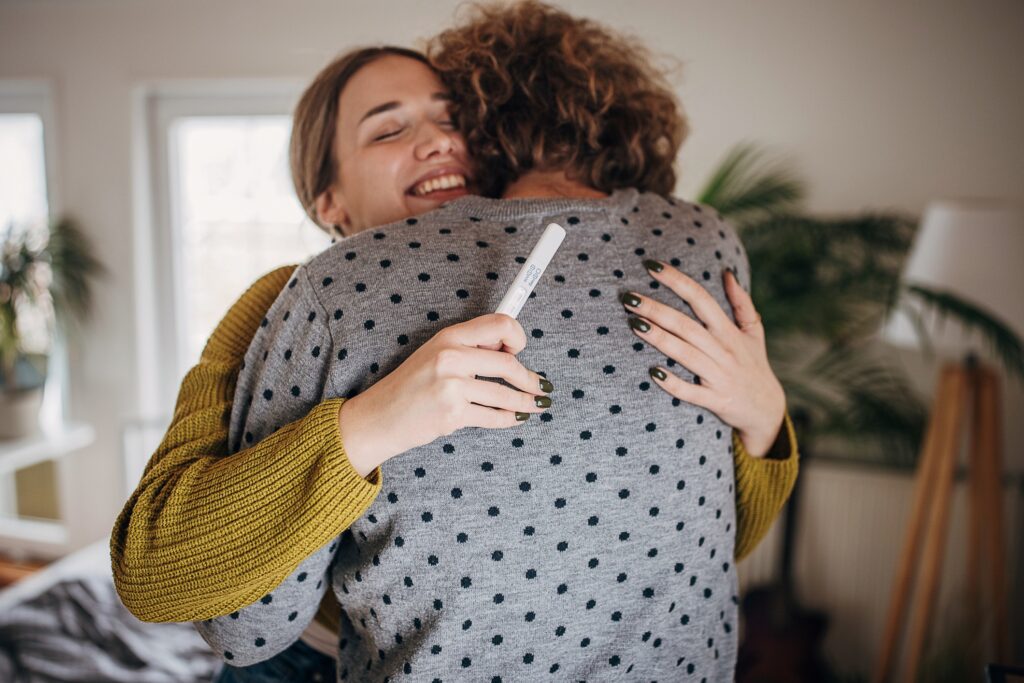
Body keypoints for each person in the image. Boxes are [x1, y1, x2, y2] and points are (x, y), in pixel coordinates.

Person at [110, 4, 798, 680]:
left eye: (451, 119)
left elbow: (696, 543)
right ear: (330, 203)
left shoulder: (528, 274)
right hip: (295, 657)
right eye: (388, 131)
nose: (439, 141)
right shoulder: (290, 303)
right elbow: (160, 574)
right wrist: (368, 422)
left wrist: (764, 416)